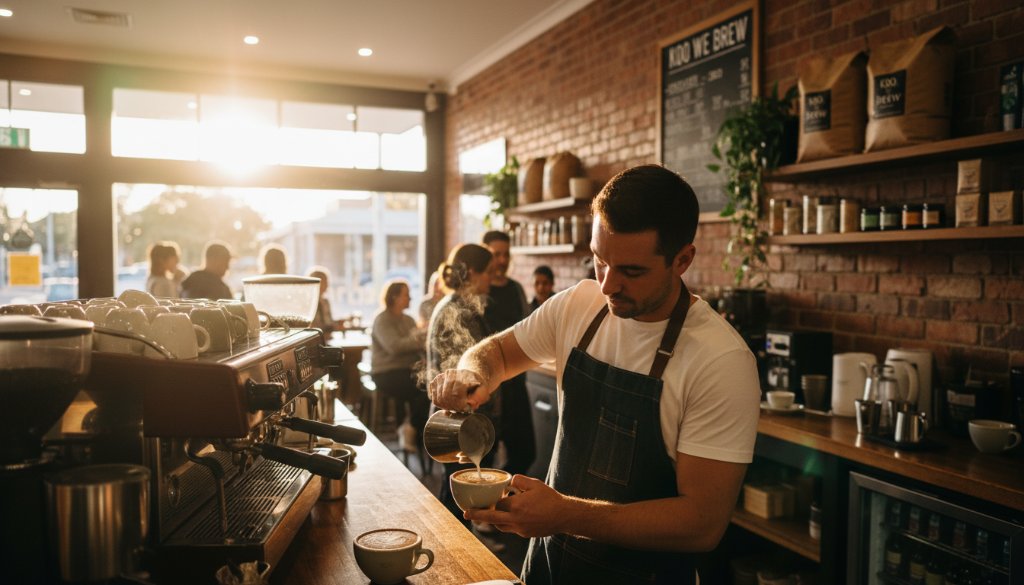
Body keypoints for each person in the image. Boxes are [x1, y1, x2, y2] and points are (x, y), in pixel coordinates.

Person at [429, 165, 761, 584]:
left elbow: (701, 523)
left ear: (683, 260)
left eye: (631, 271)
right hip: (551, 566)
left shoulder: (720, 360)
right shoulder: (577, 306)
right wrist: (469, 376)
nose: (607, 285)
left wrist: (565, 514)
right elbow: (495, 352)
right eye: (600, 261)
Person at [425, 243, 500, 529]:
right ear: (470, 273)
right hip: (460, 420)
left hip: (452, 417)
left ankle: (458, 543)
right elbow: (464, 374)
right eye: (488, 273)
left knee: (454, 489)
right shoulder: (458, 311)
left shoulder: (453, 305)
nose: (491, 280)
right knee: (458, 493)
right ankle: (457, 550)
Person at [480, 230, 534, 479]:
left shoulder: (516, 289)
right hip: (487, 389)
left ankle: (496, 493)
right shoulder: (480, 291)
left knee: (525, 451)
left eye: (506, 254)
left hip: (515, 382)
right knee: (484, 455)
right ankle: (487, 506)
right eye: (496, 254)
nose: (502, 260)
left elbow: (529, 326)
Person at [370, 280, 430, 462]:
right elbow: (394, 346)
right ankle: (411, 427)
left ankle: (411, 429)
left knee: (430, 386)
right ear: (394, 297)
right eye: (406, 294)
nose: (410, 297)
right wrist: (420, 337)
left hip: (406, 370)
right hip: (385, 372)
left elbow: (412, 344)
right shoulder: (382, 319)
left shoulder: (409, 319)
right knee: (424, 389)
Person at [309, 267, 339, 335]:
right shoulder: (309, 304)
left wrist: (337, 323)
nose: (327, 285)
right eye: (325, 282)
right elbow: (312, 327)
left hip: (328, 337)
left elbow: (329, 322)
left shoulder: (326, 302)